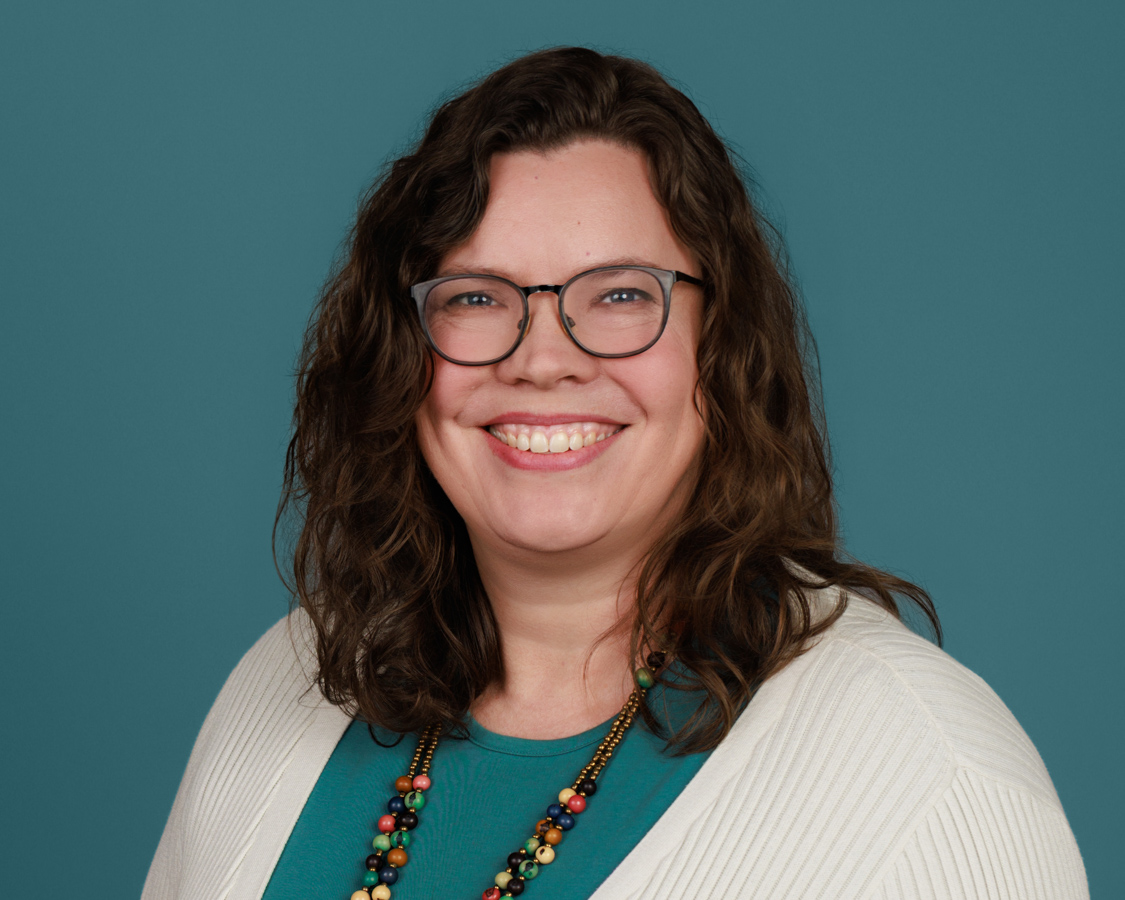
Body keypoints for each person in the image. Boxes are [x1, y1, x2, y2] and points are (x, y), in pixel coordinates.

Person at [143, 47, 1087, 900]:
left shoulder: (933, 783)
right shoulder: (288, 679)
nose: (543, 359)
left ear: (719, 350)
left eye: (622, 295)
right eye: (477, 297)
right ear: (401, 355)